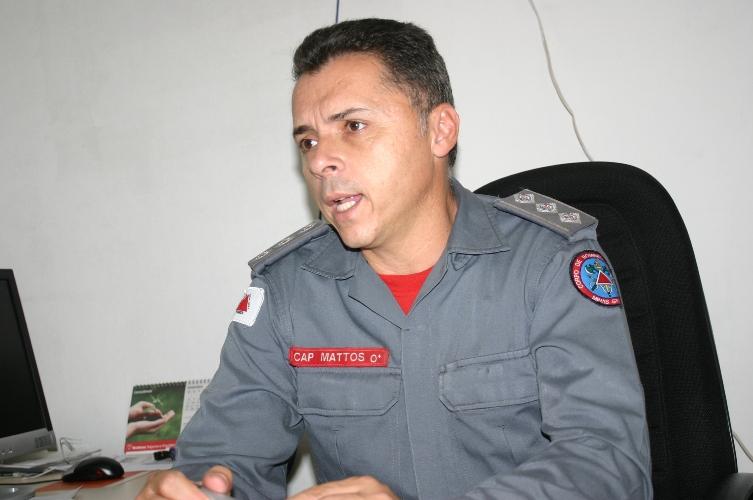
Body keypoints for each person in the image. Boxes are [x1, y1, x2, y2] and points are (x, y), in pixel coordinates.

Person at [137, 18, 652, 500]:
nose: (319, 160)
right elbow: (225, 454)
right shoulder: (288, 291)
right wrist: (199, 488)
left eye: (353, 126)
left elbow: (608, 461)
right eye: (308, 141)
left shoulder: (545, 262)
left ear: (440, 131)